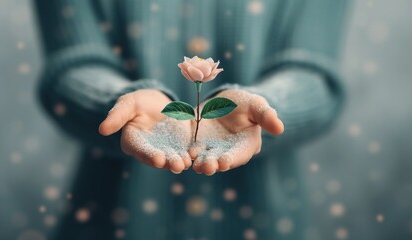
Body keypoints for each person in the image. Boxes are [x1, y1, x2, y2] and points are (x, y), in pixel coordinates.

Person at [33, 0, 349, 239]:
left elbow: (314, 74)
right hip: (112, 219)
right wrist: (116, 102)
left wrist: (267, 107)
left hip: (266, 221)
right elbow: (71, 65)